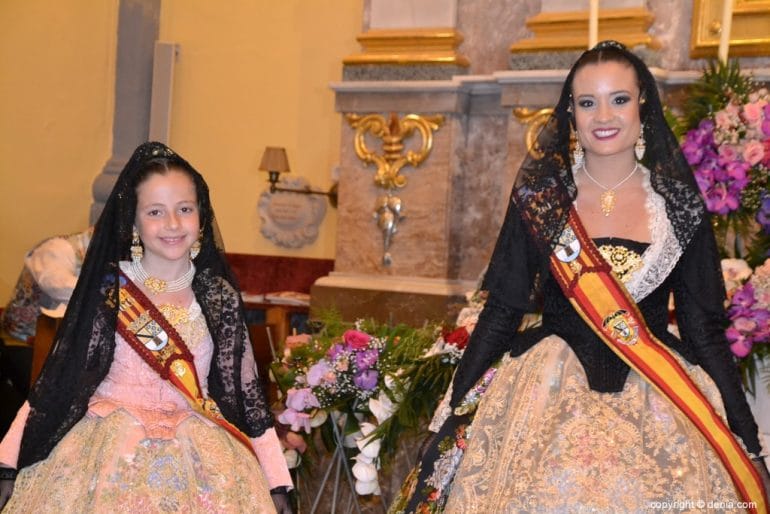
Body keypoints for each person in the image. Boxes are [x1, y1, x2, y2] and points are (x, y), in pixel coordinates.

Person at [389, 41, 770, 513]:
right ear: (570, 112)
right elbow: (503, 311)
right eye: (587, 102)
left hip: (658, 397)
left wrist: (748, 443)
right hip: (543, 395)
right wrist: (448, 414)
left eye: (619, 99)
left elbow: (704, 332)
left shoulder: (680, 206)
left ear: (643, 103)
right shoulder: (542, 199)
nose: (603, 116)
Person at [0, 142, 293, 513]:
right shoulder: (110, 291)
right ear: (134, 222)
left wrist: (277, 480)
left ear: (201, 215)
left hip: (201, 457)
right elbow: (58, 383)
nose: (172, 223)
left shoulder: (218, 296)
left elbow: (245, 397)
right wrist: (7, 461)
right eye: (155, 211)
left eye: (184, 209)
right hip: (109, 451)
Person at [0, 227, 93, 435]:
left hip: (65, 345)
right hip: (23, 341)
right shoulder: (58, 249)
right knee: (50, 401)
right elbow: (58, 286)